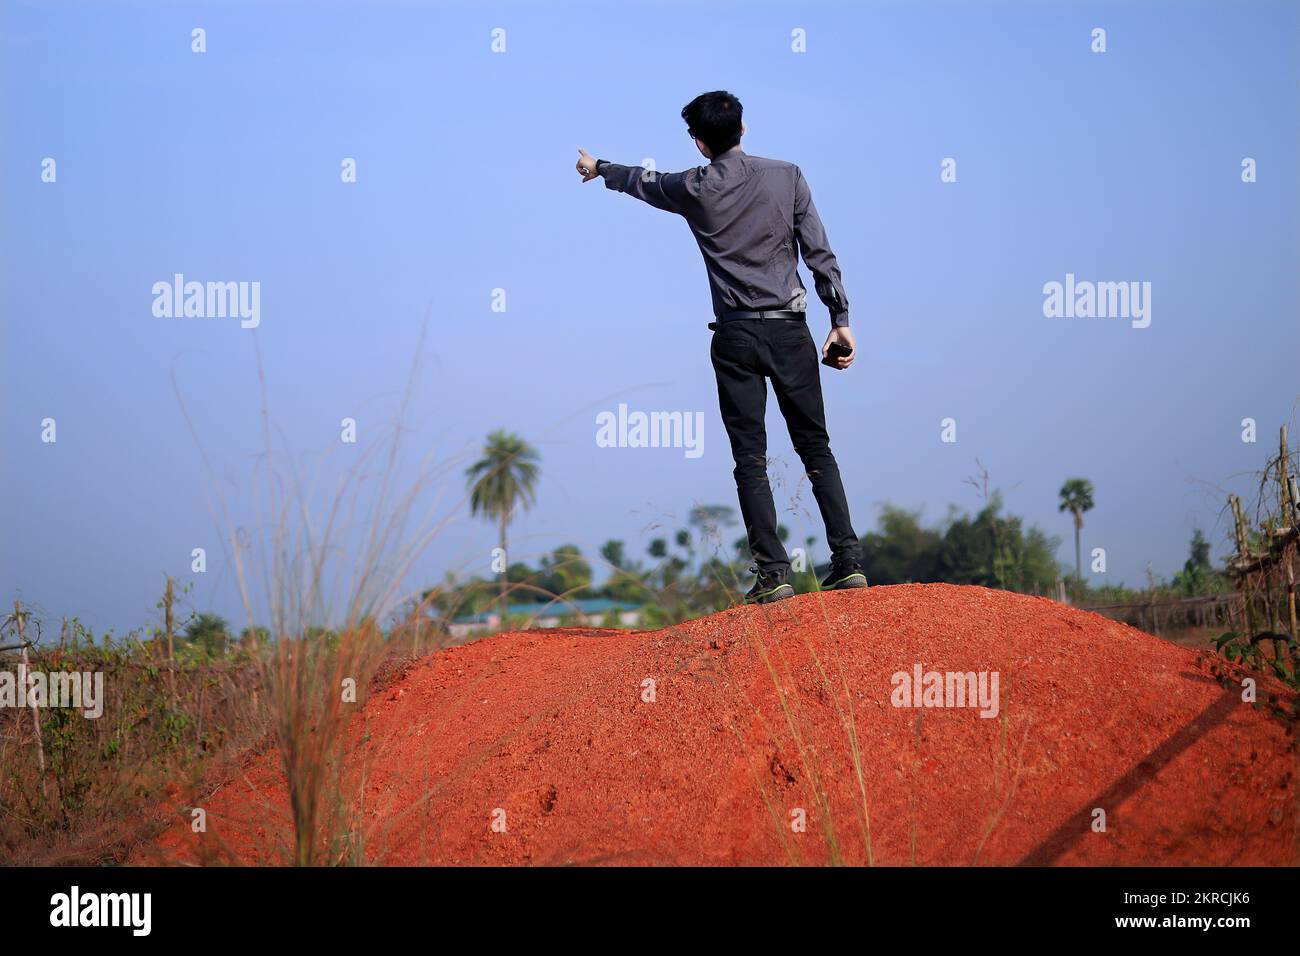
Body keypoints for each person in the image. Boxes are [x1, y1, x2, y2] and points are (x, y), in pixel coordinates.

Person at [575, 90, 866, 604]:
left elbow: (642, 182)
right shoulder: (789, 175)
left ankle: (774, 575)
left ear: (699, 143)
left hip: (734, 336)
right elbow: (820, 252)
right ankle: (847, 563)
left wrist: (599, 167)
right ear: (744, 128)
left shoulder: (693, 186)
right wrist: (839, 320)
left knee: (750, 458)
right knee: (815, 446)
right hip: (790, 331)